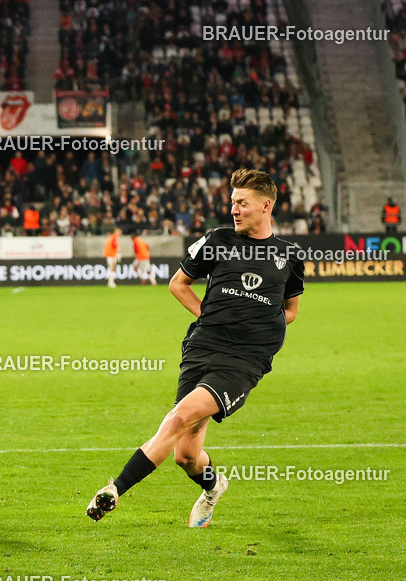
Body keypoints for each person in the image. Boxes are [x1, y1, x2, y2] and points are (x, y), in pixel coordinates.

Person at [86, 169, 304, 528]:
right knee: (186, 455)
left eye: (242, 203)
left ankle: (114, 490)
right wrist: (212, 315)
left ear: (266, 206)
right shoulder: (217, 239)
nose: (234, 209)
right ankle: (213, 487)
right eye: (232, 202)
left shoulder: (289, 256)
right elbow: (178, 283)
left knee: (178, 418)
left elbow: (291, 310)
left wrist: (258, 326)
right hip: (202, 347)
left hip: (244, 360)